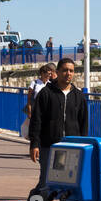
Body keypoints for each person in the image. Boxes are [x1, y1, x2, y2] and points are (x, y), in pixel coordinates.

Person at [29, 57, 87, 188]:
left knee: (70, 185)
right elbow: (36, 119)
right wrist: (35, 144)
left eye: (71, 71)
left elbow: (83, 124)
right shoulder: (46, 93)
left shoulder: (79, 96)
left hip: (72, 147)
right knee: (46, 182)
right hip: (49, 145)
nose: (68, 73)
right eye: (65, 70)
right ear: (58, 72)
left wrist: (84, 146)